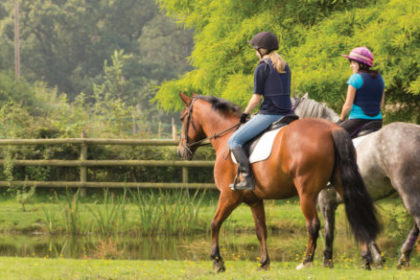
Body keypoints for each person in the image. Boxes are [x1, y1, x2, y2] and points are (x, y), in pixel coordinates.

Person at [228, 31, 293, 191]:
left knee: (234, 141)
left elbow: (256, 98)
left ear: (261, 50)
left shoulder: (262, 67)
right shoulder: (284, 65)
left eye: (255, 48)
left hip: (270, 114)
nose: (254, 51)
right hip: (288, 113)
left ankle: (247, 180)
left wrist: (245, 114)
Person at [338, 47, 385, 137]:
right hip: (377, 121)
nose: (351, 66)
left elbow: (348, 106)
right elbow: (381, 105)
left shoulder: (355, 78)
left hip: (357, 121)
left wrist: (341, 119)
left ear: (362, 64)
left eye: (353, 63)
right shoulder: (380, 78)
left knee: (333, 135)